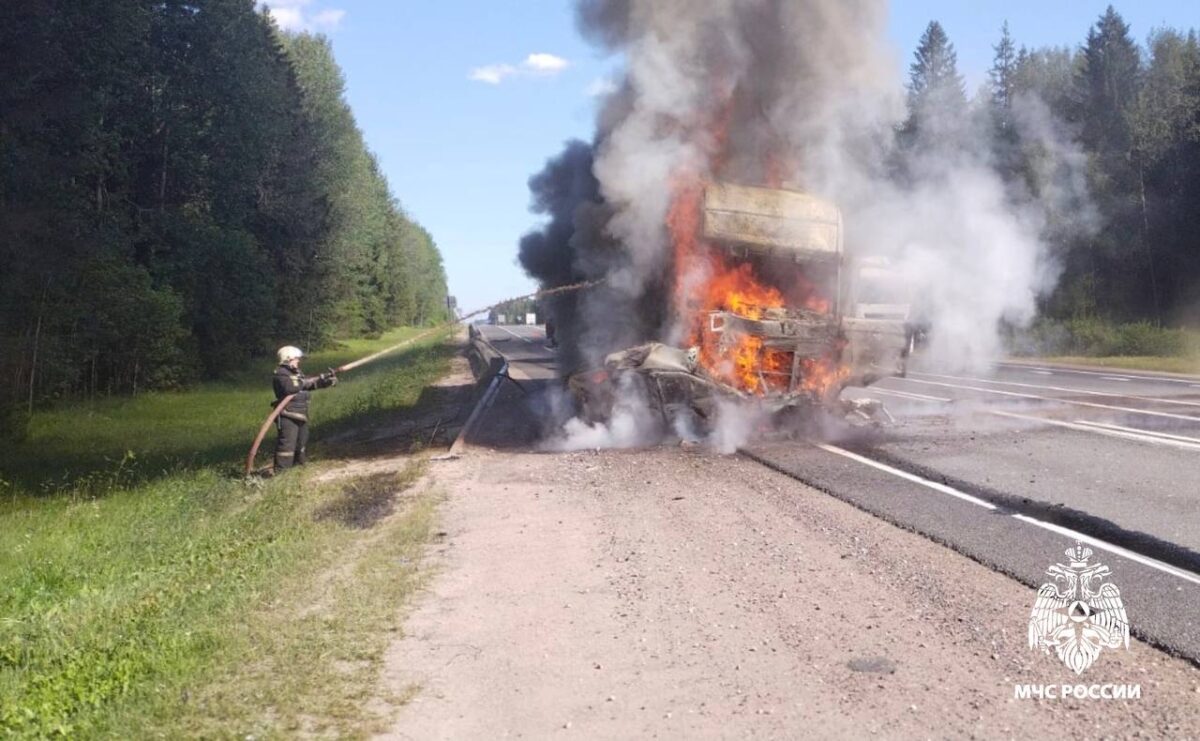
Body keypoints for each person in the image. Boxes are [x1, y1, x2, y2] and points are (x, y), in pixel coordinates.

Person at [272, 345, 337, 471]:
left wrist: (325, 382)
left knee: (301, 443)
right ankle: (282, 472)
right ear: (288, 358)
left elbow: (306, 385)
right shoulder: (281, 373)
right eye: (296, 359)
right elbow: (291, 388)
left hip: (301, 413)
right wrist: (311, 380)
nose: (298, 361)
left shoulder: (297, 372)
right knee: (287, 445)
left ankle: (298, 468)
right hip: (287, 414)